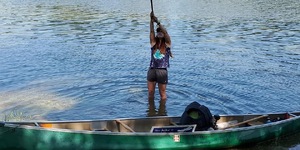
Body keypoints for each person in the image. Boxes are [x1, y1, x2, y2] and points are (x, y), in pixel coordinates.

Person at [147, 11, 173, 106]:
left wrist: (157, 22)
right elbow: (151, 32)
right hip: (152, 69)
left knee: (162, 93)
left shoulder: (167, 44)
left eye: (161, 31)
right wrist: (151, 21)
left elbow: (166, 32)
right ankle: (151, 111)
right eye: (158, 31)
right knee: (150, 92)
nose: (160, 33)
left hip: (162, 71)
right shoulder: (153, 43)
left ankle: (162, 112)